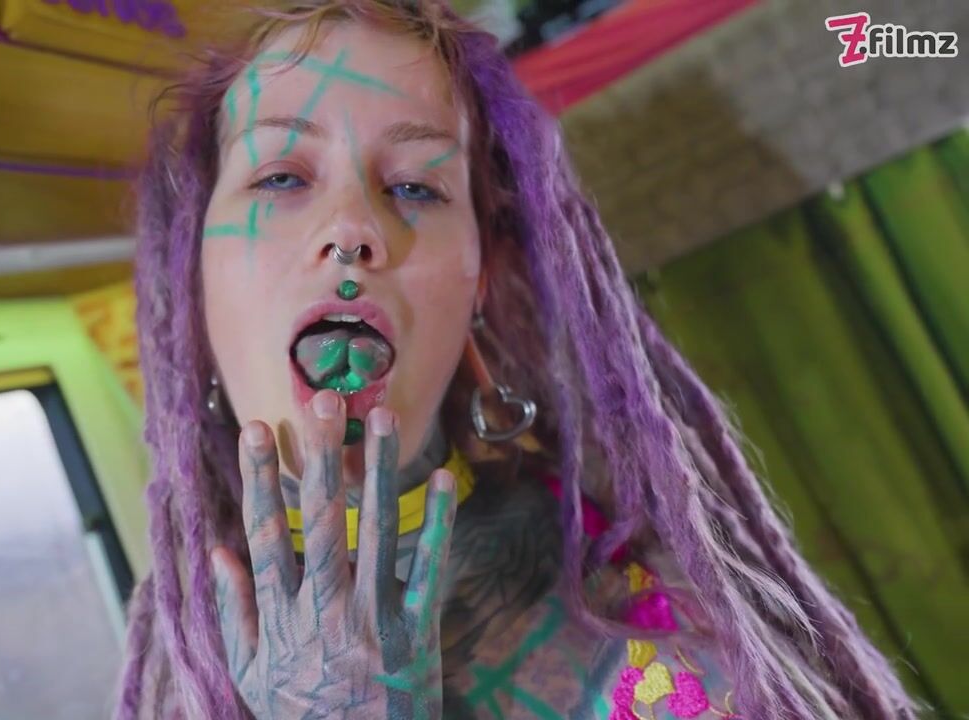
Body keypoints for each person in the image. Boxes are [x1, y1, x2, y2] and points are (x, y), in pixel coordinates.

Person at [115, 2, 919, 718]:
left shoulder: (669, 616)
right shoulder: (173, 672)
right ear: (191, 280)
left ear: (479, 282)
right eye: (282, 176)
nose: (352, 227)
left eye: (417, 188)